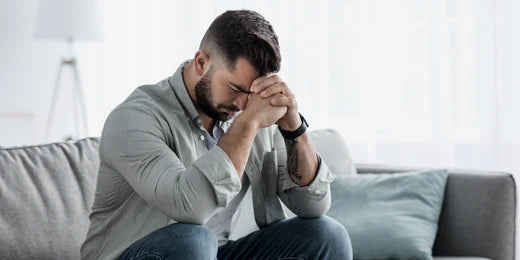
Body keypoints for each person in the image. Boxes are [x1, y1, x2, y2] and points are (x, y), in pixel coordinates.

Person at [81, 10, 352, 260]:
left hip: (213, 252)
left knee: (327, 235)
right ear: (201, 62)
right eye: (235, 88)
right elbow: (190, 209)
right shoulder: (134, 118)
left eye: (253, 92)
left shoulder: (250, 108)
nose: (243, 104)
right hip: (145, 253)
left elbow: (313, 206)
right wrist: (247, 124)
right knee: (193, 240)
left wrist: (295, 127)